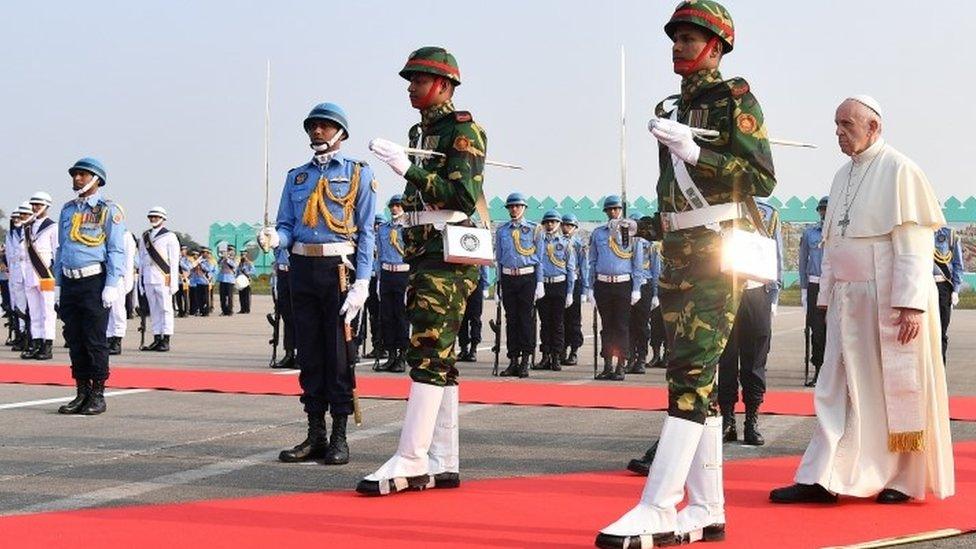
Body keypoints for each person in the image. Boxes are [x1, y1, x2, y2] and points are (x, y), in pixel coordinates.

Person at [597, 2, 776, 546]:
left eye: (690, 37)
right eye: (674, 37)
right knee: (688, 377)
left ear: (716, 46)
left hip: (715, 255)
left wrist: (696, 149)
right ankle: (706, 507)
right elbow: (677, 195)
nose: (678, 45)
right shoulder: (672, 105)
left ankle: (658, 505)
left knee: (692, 377)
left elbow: (761, 177)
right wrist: (649, 224)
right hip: (677, 250)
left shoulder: (733, 99)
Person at [770, 96, 953, 506]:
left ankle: (902, 480)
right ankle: (821, 476)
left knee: (894, 391)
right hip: (847, 301)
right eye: (836, 124)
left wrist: (909, 304)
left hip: (888, 300)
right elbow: (836, 240)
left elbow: (912, 243)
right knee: (835, 387)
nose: (839, 131)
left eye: (847, 124)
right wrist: (827, 297)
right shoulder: (841, 176)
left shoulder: (900, 170)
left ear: (874, 127)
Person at [358, 45, 486, 496]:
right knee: (441, 357)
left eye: (419, 80)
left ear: (445, 85)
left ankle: (412, 458)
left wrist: (406, 168)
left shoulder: (462, 130)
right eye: (410, 80)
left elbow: (463, 198)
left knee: (427, 350)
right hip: (425, 250)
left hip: (447, 254)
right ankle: (442, 459)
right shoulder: (421, 129)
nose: (411, 87)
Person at [259, 101, 376, 466]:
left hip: (338, 270)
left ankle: (340, 434)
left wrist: (362, 283)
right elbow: (286, 223)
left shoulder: (358, 174)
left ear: (340, 132)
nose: (317, 132)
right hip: (301, 268)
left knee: (338, 356)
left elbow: (368, 232)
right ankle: (315, 434)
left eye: (324, 126)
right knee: (309, 352)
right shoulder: (296, 176)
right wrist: (275, 238)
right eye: (313, 126)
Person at [53, 157, 126, 415]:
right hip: (70, 281)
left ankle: (98, 394)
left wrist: (112, 284)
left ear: (96, 179)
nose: (77, 179)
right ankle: (81, 392)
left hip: (94, 281)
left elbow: (117, 250)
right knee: (74, 338)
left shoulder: (108, 210)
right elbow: (61, 248)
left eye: (83, 175)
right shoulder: (67, 209)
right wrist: (58, 285)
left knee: (95, 340)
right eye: (75, 175)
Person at [717, 199, 782, 446]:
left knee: (755, 360)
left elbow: (775, 253)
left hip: (756, 291)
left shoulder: (767, 213)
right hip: (726, 291)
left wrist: (773, 294)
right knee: (726, 357)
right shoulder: (718, 207)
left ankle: (751, 420)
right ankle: (728, 420)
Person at [588, 195, 643, 381]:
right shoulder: (598, 233)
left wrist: (636, 288)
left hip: (623, 284)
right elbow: (592, 261)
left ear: (621, 211)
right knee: (607, 327)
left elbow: (637, 264)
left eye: (616, 209)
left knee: (621, 326)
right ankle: (607, 365)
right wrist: (591, 287)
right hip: (603, 284)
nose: (613, 212)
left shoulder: (632, 233)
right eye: (610, 209)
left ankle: (621, 365)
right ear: (605, 212)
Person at [495, 192, 542, 377]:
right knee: (511, 320)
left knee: (525, 319)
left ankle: (525, 360)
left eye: (517, 206)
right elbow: (499, 258)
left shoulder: (534, 229)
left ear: (523, 208)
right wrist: (498, 283)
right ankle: (513, 359)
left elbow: (540, 259)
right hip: (508, 277)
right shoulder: (502, 230)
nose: (514, 209)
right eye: (511, 207)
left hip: (526, 277)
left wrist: (540, 283)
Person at [374, 196, 411, 372]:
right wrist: (379, 278)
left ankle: (402, 356)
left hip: (403, 273)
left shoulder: (409, 228)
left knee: (401, 317)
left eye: (398, 205)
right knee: (386, 317)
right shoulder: (383, 229)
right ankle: (391, 355)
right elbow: (380, 255)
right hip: (387, 274)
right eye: (392, 206)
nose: (395, 208)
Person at [21, 192, 59, 360]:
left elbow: (57, 253)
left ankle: (47, 345)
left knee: (47, 311)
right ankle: (36, 344)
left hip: (46, 275)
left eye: (38, 204)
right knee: (35, 311)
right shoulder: (27, 227)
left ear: (46, 206)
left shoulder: (53, 226)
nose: (35, 207)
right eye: (33, 204)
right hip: (30, 274)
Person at [138, 206, 180, 352]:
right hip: (149, 278)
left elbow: (174, 261)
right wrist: (140, 281)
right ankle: (156, 337)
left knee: (166, 309)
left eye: (156, 217)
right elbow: (142, 259)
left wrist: (174, 282)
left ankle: (166, 338)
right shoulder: (145, 236)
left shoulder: (170, 236)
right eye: (151, 217)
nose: (153, 219)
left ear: (163, 219)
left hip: (164, 278)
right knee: (154, 310)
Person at [799, 196, 829, 384]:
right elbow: (803, 262)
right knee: (816, 331)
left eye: (827, 209)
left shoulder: (840, 233)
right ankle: (818, 370)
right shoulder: (810, 233)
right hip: (815, 285)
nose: (824, 213)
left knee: (834, 330)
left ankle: (833, 373)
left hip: (835, 285)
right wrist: (803, 289)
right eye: (822, 210)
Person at [626, 211, 655, 374]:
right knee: (628, 324)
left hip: (645, 286)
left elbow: (655, 269)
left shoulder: (649, 245)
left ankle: (642, 358)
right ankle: (630, 357)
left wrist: (656, 293)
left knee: (642, 325)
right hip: (628, 285)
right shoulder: (625, 242)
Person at [560, 213, 588, 366]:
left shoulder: (579, 245)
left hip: (575, 283)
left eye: (569, 226)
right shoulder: (556, 242)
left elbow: (584, 267)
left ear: (575, 228)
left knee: (574, 319)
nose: (566, 228)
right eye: (564, 225)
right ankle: (561, 348)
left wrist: (584, 289)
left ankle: (574, 350)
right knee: (560, 319)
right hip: (560, 282)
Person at [933, 225, 963, 365]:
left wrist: (955, 290)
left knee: (941, 332)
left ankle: (940, 373)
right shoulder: (918, 233)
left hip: (942, 288)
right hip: (922, 286)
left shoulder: (949, 234)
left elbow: (957, 264)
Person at [106, 228, 137, 355]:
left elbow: (129, 260)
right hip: (104, 275)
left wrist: (127, 280)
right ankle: (108, 337)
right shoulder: (102, 232)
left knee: (117, 309)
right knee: (105, 309)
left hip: (118, 276)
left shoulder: (125, 235)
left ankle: (117, 339)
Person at [6, 203, 31, 352]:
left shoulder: (29, 230)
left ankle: (32, 336)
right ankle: (21, 335)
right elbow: (9, 255)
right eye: (15, 217)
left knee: (32, 307)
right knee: (18, 306)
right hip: (14, 273)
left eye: (19, 216)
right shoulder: (10, 234)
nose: (17, 219)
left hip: (27, 272)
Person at [269, 246, 299, 369]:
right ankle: (289, 353)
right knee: (286, 315)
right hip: (282, 272)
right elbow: (276, 250)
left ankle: (302, 354)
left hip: (297, 271)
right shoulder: (281, 231)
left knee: (300, 315)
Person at [458, 265, 490, 363]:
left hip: (475, 282)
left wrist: (485, 285)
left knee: (475, 317)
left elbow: (483, 263)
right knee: (461, 317)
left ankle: (473, 348)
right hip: (460, 281)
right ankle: (463, 348)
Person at [647, 240, 666, 369]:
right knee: (655, 325)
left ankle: (667, 356)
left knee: (668, 327)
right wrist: (655, 293)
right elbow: (655, 272)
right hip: (656, 291)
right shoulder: (653, 247)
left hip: (671, 291)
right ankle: (656, 355)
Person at [187, 249, 209, 316]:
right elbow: (190, 268)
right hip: (197, 282)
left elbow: (208, 269)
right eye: (193, 255)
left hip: (204, 281)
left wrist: (201, 264)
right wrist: (196, 263)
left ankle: (205, 311)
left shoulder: (205, 262)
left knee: (204, 298)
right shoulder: (195, 262)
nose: (195, 256)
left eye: (196, 255)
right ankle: (200, 310)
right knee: (198, 298)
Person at [217, 245, 238, 316]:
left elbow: (234, 266)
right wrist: (222, 258)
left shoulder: (235, 259)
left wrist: (227, 259)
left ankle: (229, 310)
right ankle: (224, 310)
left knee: (229, 296)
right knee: (222, 297)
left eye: (231, 250)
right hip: (222, 279)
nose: (229, 251)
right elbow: (218, 263)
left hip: (230, 280)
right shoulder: (223, 259)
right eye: (228, 250)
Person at [175, 246, 190, 318]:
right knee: (178, 297)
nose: (181, 251)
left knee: (185, 297)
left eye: (182, 250)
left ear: (186, 251)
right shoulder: (175, 258)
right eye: (180, 250)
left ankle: (186, 311)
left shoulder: (187, 259)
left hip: (184, 280)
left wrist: (180, 262)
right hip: (177, 280)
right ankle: (180, 311)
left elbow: (188, 267)